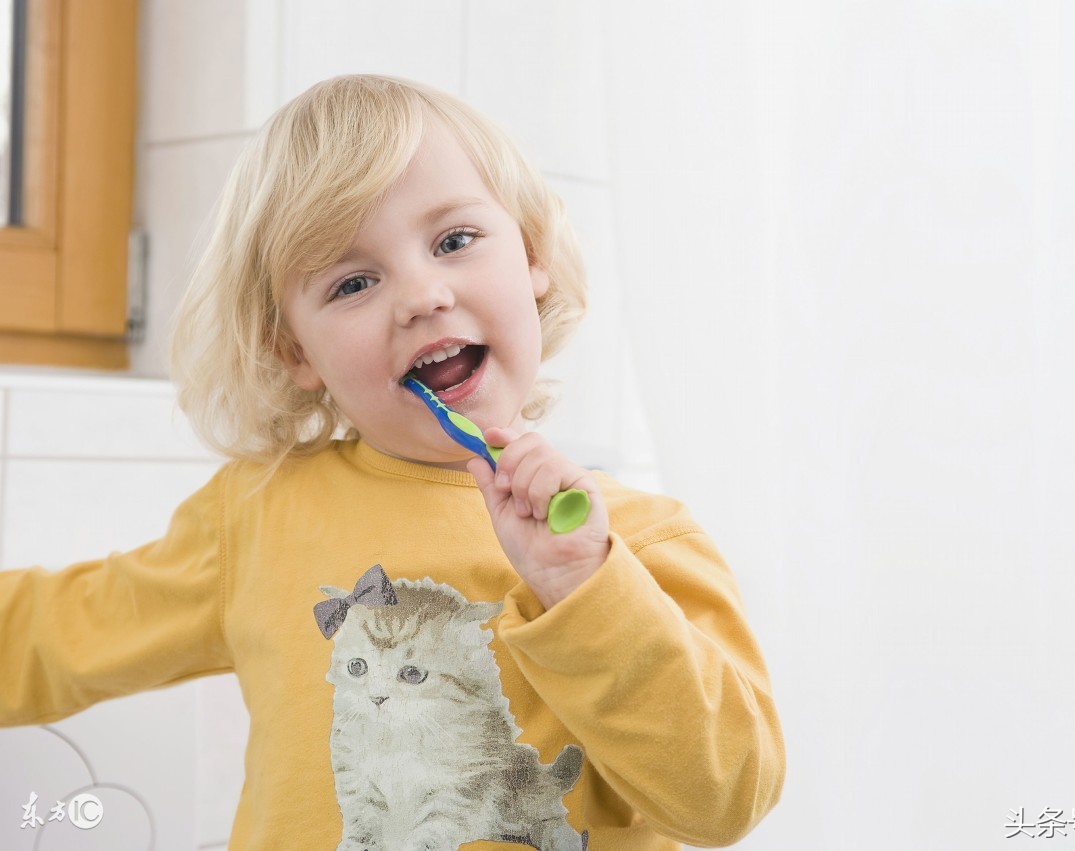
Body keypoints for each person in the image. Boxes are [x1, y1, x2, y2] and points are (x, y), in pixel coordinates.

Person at [0, 74, 784, 850]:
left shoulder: (639, 543)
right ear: (292, 348)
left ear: (533, 252)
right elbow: (55, 632)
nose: (419, 295)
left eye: (454, 241)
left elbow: (727, 796)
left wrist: (584, 587)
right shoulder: (259, 514)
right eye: (353, 282)